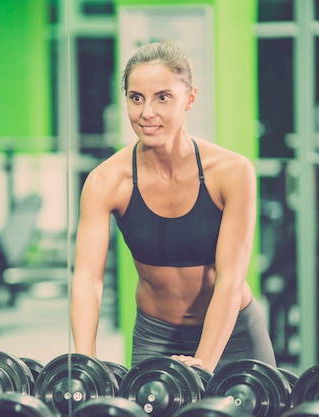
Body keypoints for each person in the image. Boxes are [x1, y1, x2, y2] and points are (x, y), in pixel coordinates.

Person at [71, 41, 276, 373]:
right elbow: (87, 279)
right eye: (136, 98)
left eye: (162, 97)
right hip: (157, 336)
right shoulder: (106, 181)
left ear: (189, 99)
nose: (147, 112)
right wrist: (85, 361)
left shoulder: (232, 172)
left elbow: (230, 279)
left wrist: (202, 363)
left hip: (233, 332)